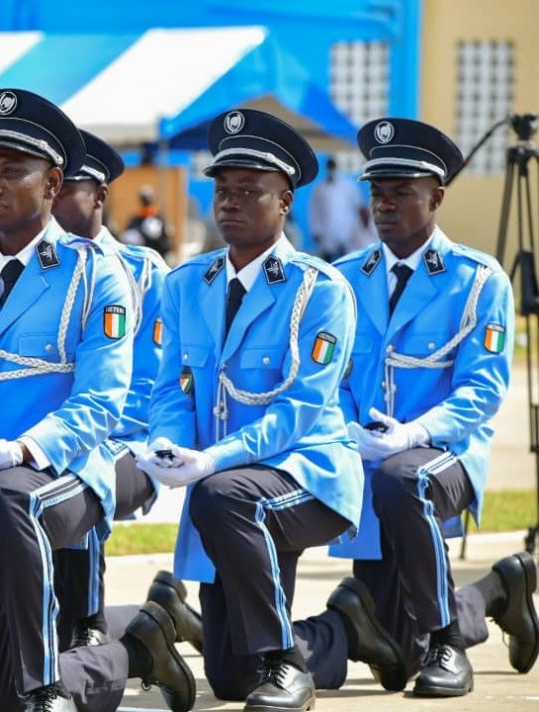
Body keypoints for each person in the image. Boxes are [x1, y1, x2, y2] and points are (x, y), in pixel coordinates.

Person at [0, 87, 195, 712]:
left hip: (64, 473)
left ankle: (47, 691)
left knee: (11, 496)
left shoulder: (95, 272)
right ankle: (135, 649)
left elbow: (101, 398)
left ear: (53, 183)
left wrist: (18, 448)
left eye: (13, 171)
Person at [138, 108, 363, 712]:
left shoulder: (320, 291)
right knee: (233, 678)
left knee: (222, 496)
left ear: (285, 200)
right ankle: (344, 629)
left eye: (249, 190)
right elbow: (170, 388)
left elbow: (302, 410)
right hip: (229, 486)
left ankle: (286, 662)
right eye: (223, 189)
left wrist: (209, 460)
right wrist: (168, 445)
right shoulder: (186, 282)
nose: (230, 202)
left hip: (308, 476)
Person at [328, 117, 535, 695]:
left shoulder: (477, 280)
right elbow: (335, 378)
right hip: (367, 462)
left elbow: (483, 389)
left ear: (436, 197)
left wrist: (412, 432)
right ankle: (498, 591)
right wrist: (350, 429)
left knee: (404, 478)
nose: (385, 205)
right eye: (377, 192)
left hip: (445, 458)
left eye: (402, 192)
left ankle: (450, 644)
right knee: (397, 648)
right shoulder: (345, 279)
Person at [49, 128, 202, 652]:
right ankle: (153, 618)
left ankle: (90, 622)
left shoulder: (140, 271)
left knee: (81, 470)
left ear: (99, 196)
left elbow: (155, 384)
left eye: (67, 187)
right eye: (51, 187)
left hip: (126, 443)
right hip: (50, 435)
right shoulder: (34, 271)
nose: (54, 199)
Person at [307, 157, 363, 262]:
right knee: (327, 263)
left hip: (346, 232)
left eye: (333, 166)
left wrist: (355, 230)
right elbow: (314, 211)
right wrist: (316, 230)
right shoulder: (320, 188)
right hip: (326, 232)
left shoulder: (349, 186)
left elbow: (358, 208)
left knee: (346, 262)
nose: (331, 169)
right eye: (330, 166)